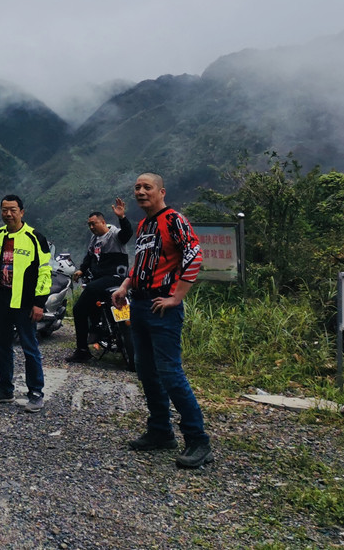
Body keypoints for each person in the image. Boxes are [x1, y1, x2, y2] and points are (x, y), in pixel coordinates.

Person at [111, 173, 213, 469]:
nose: (141, 192)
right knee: (146, 370)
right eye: (137, 188)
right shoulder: (144, 225)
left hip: (162, 307)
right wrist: (125, 287)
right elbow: (140, 263)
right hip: (140, 304)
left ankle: (198, 440)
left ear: (161, 191)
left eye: (147, 187)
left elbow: (194, 255)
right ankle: (160, 431)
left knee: (170, 372)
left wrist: (177, 296)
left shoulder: (173, 220)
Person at [0, 195, 51, 411]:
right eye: (4, 210)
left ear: (22, 212)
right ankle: (5, 389)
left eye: (13, 210)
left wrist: (39, 303)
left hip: (24, 303)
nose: (8, 214)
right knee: (2, 346)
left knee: (30, 347)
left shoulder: (34, 237)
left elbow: (44, 272)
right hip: (1, 301)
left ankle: (36, 392)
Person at [67, 198, 133, 362]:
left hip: (114, 278)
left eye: (94, 224)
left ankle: (83, 350)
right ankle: (89, 340)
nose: (91, 227)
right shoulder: (94, 239)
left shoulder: (115, 234)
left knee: (80, 306)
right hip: (99, 281)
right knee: (88, 298)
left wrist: (122, 217)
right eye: (89, 224)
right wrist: (82, 269)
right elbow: (89, 257)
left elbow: (127, 234)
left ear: (103, 222)